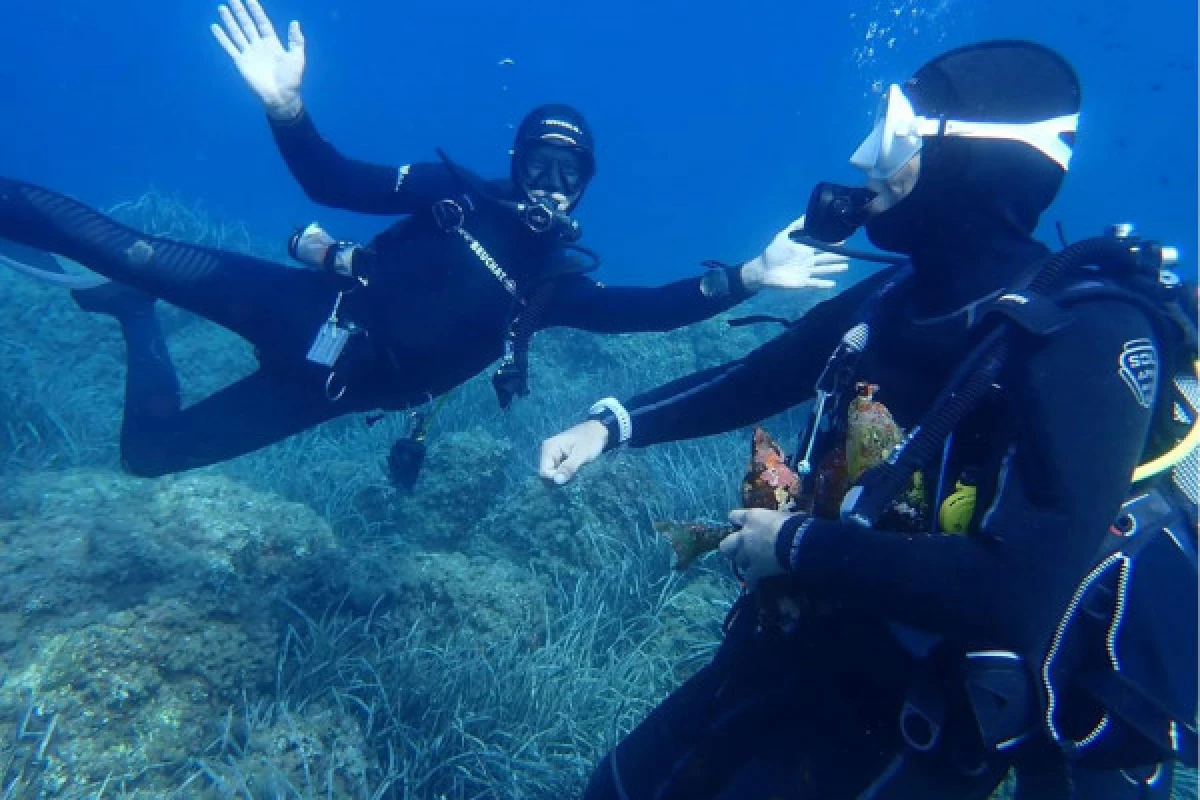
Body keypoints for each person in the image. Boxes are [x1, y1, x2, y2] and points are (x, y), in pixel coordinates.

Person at [539, 40, 1197, 798]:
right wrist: (612, 426)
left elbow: (1020, 590)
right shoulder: (894, 298)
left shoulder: (1089, 336)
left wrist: (794, 543)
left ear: (973, 163)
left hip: (920, 716)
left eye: (892, 138)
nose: (861, 160)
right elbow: (762, 376)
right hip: (803, 642)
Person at [0, 0, 847, 479]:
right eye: (540, 165)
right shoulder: (453, 193)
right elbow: (332, 182)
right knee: (132, 246)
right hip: (300, 303)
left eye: (570, 173)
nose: (552, 185)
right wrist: (287, 109)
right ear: (515, 166)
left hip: (324, 393)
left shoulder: (551, 284)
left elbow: (649, 311)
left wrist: (746, 275)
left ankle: (135, 319)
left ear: (584, 185)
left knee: (150, 456)